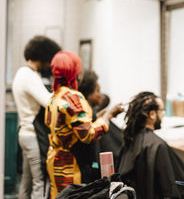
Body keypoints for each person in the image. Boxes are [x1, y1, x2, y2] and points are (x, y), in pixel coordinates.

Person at [45, 51, 122, 199]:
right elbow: (88, 135)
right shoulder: (72, 98)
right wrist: (107, 118)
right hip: (70, 164)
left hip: (55, 160)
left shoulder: (55, 96)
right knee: (72, 195)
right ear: (75, 73)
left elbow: (69, 125)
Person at [117, 92, 184, 199]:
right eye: (161, 110)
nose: (163, 114)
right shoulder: (158, 146)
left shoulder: (131, 140)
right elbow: (169, 189)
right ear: (152, 114)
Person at [12, 35, 61, 199]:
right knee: (40, 182)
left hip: (24, 133)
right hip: (33, 135)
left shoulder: (21, 73)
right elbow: (48, 102)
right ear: (44, 57)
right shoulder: (29, 76)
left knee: (26, 182)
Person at [78, 69, 124, 174]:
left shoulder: (89, 113)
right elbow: (92, 130)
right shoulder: (85, 114)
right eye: (97, 91)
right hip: (91, 167)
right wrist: (108, 117)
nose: (100, 95)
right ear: (88, 95)